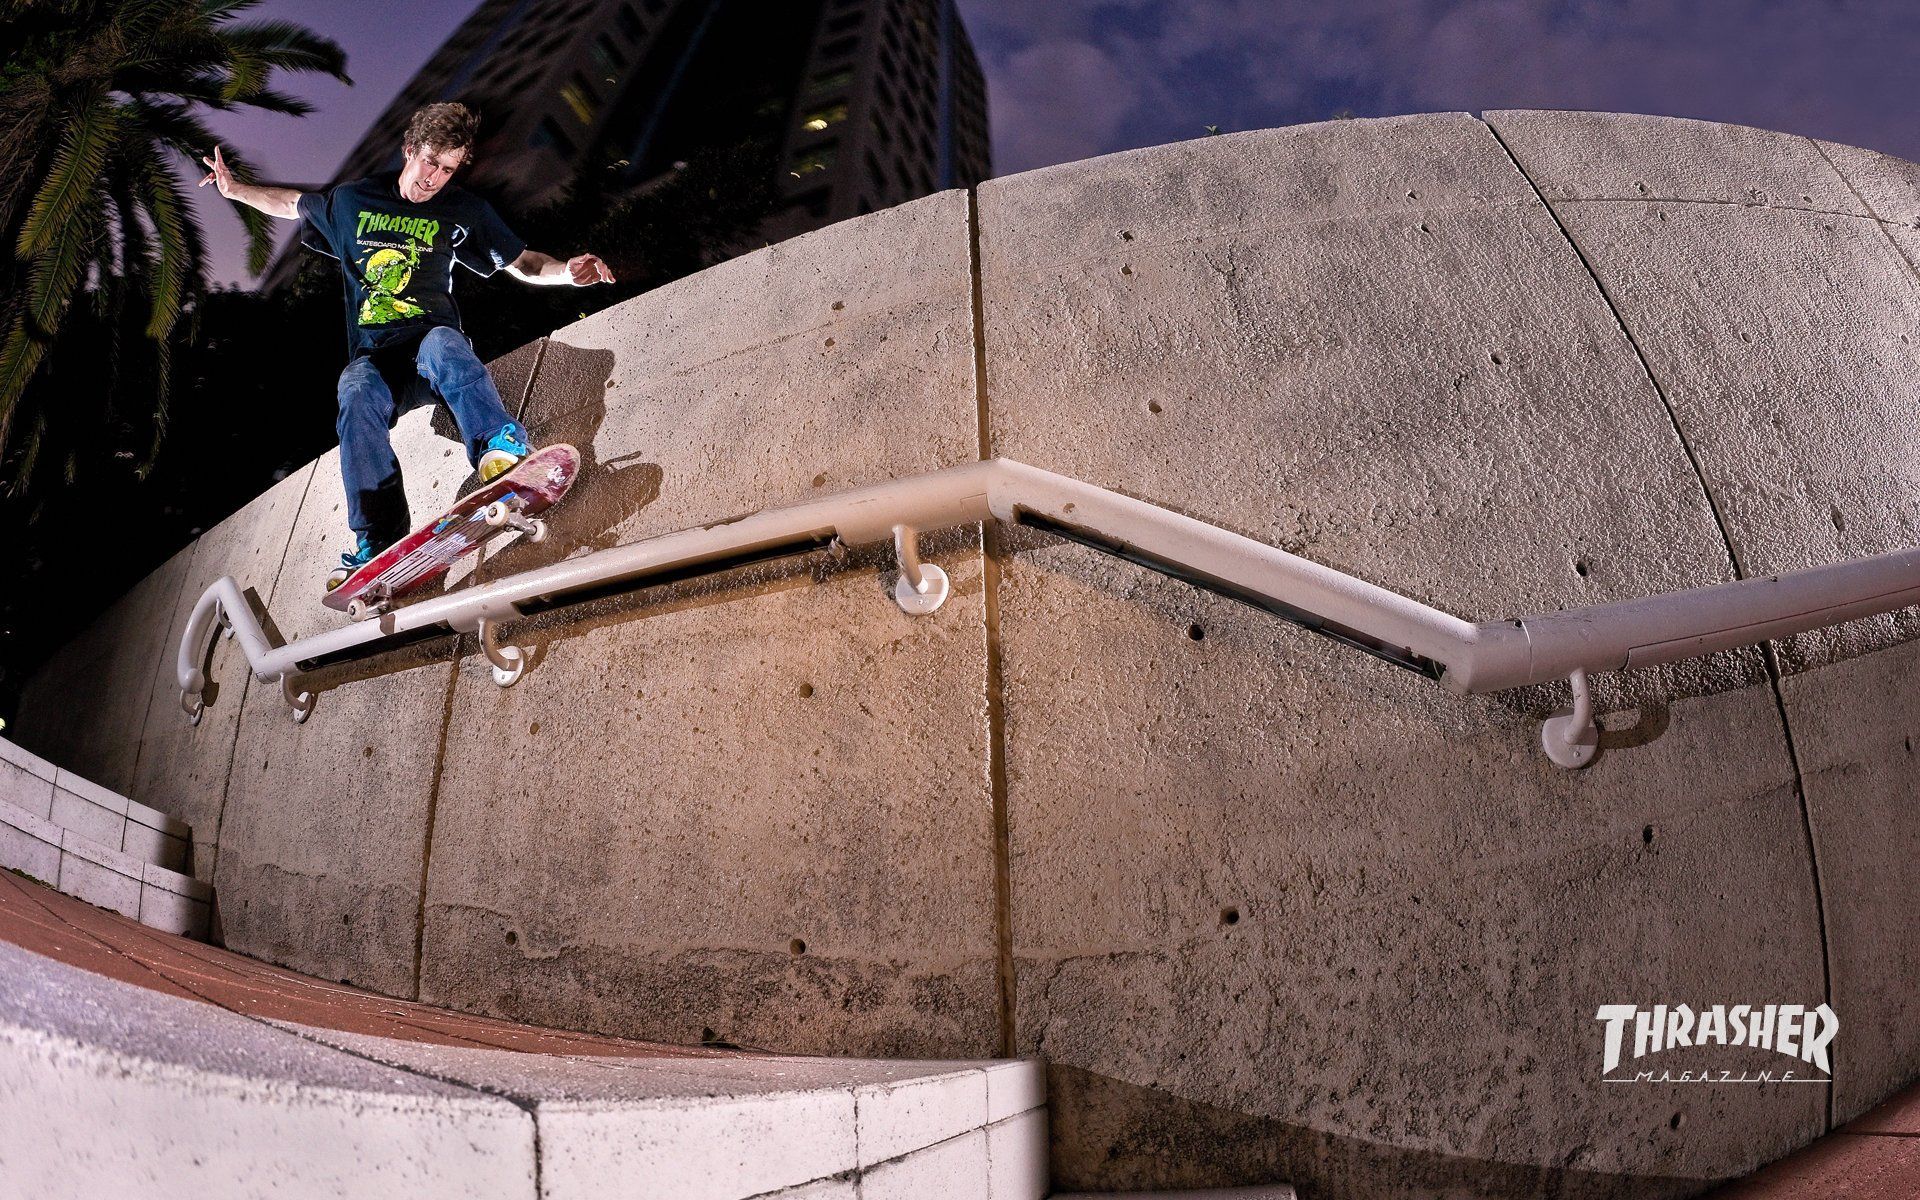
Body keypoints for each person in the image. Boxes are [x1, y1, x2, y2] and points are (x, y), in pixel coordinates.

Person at [198, 102, 614, 589]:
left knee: (441, 342)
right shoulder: (353, 200)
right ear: (409, 150)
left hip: (434, 356)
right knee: (353, 386)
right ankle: (378, 535)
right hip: (379, 366)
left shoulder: (462, 209)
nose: (435, 178)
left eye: (448, 169)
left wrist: (566, 272)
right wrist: (234, 190)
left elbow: (522, 262)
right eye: (430, 162)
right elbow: (292, 203)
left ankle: (498, 449)